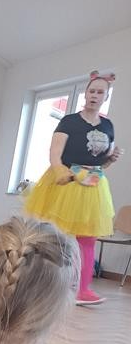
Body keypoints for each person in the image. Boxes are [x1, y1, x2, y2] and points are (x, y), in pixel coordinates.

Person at [24, 70, 123, 305]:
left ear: (106, 97)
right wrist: (59, 170)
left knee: (87, 239)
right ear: (85, 94)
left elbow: (101, 162)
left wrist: (111, 159)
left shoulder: (108, 125)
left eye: (100, 92)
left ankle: (82, 290)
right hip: (67, 181)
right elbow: (55, 153)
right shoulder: (69, 121)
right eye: (92, 91)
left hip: (93, 186)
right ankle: (39, 284)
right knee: (54, 236)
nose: (95, 95)